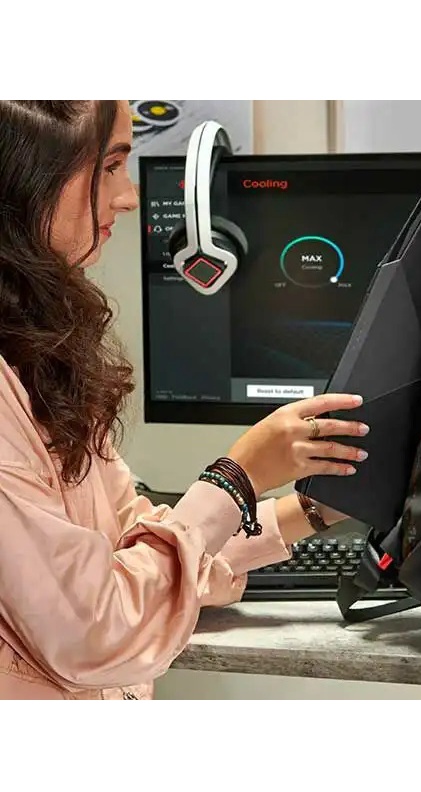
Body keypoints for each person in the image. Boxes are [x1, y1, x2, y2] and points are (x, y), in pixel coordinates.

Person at [0, 100, 369, 699]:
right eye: (111, 167)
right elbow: (96, 631)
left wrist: (315, 508)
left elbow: (149, 548)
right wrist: (238, 475)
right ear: (27, 176)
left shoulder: (35, 355)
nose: (129, 197)